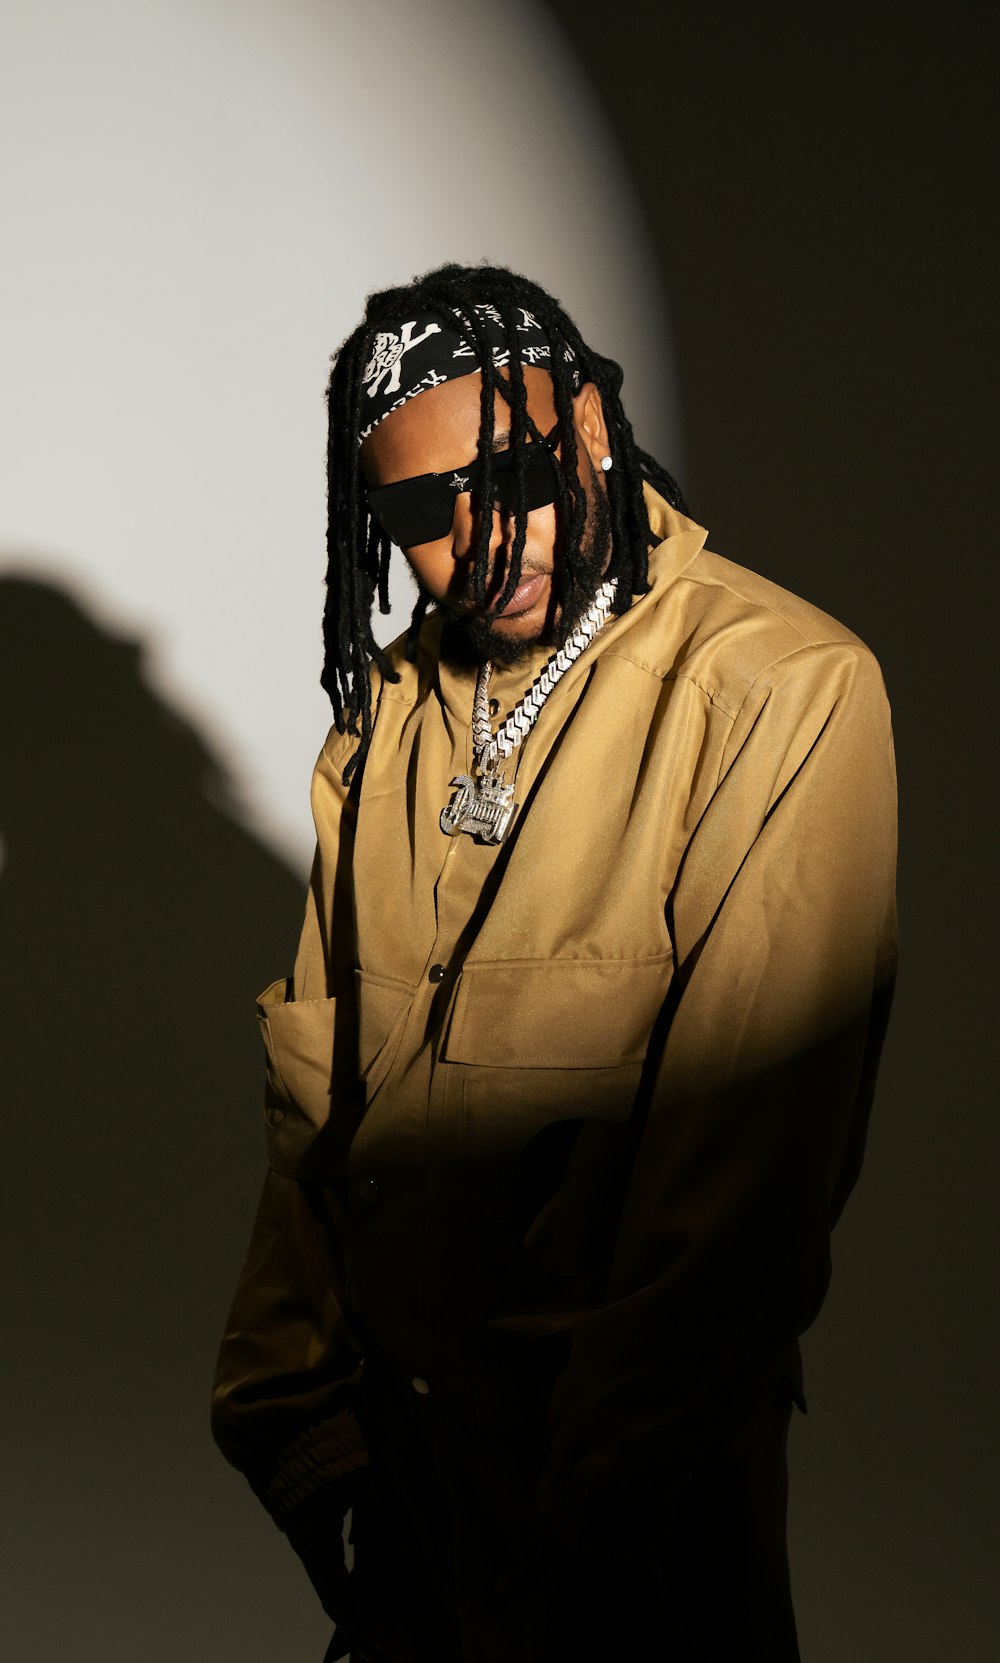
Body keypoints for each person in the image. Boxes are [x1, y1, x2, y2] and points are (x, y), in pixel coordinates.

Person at [211, 262, 898, 1663]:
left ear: (589, 419)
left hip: (624, 1548)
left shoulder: (781, 693)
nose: (485, 531)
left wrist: (587, 1527)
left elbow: (740, 1202)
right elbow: (315, 1111)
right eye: (421, 509)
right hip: (403, 1528)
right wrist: (302, 1438)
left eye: (517, 469)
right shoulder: (383, 732)